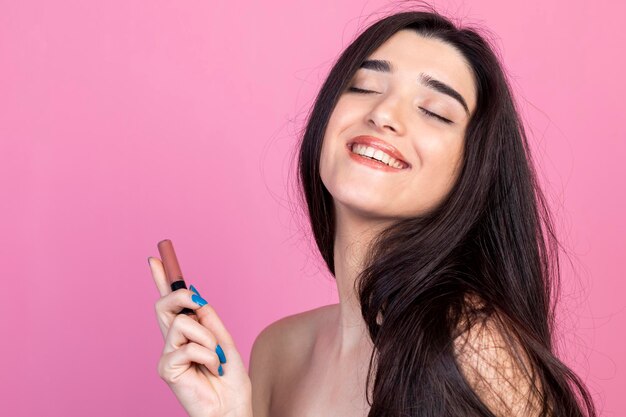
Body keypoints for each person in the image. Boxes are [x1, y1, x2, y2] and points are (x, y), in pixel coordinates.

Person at [148, 8, 597, 417]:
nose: (384, 114)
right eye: (363, 87)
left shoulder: (475, 348)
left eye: (434, 111)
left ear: (472, 170)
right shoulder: (277, 350)